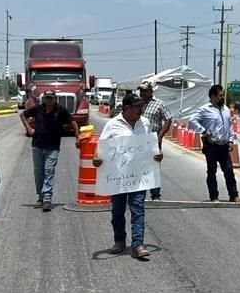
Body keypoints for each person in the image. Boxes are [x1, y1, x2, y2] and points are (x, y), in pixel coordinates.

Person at [94, 92, 161, 259]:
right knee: (117, 211)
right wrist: (97, 158)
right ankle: (119, 241)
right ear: (126, 108)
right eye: (137, 107)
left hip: (139, 177)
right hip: (118, 178)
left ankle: (138, 245)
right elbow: (101, 146)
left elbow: (150, 145)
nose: (140, 110)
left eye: (141, 107)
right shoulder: (113, 124)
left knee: (138, 209)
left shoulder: (144, 123)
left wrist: (157, 154)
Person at [21, 89, 79, 212]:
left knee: (49, 171)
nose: (48, 100)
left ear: (55, 98)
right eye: (46, 98)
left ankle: (47, 198)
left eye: (50, 98)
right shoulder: (37, 109)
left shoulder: (61, 110)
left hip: (53, 147)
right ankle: (41, 197)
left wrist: (78, 137)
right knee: (38, 173)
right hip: (37, 145)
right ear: (44, 99)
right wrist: (29, 128)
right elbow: (23, 115)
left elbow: (73, 122)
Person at [188, 84, 240, 203]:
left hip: (224, 145)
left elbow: (229, 126)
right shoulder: (205, 109)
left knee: (229, 171)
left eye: (223, 95)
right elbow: (192, 121)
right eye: (220, 96)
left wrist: (231, 140)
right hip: (211, 145)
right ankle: (214, 196)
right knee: (212, 171)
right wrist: (203, 130)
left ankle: (234, 195)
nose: (222, 98)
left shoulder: (225, 109)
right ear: (213, 96)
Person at [138, 81, 173, 200]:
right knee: (138, 167)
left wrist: (160, 136)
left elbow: (168, 119)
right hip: (138, 141)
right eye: (141, 90)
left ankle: (155, 195)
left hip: (153, 140)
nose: (142, 93)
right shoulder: (137, 103)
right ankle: (138, 193)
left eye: (144, 91)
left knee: (154, 167)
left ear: (151, 91)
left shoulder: (159, 104)